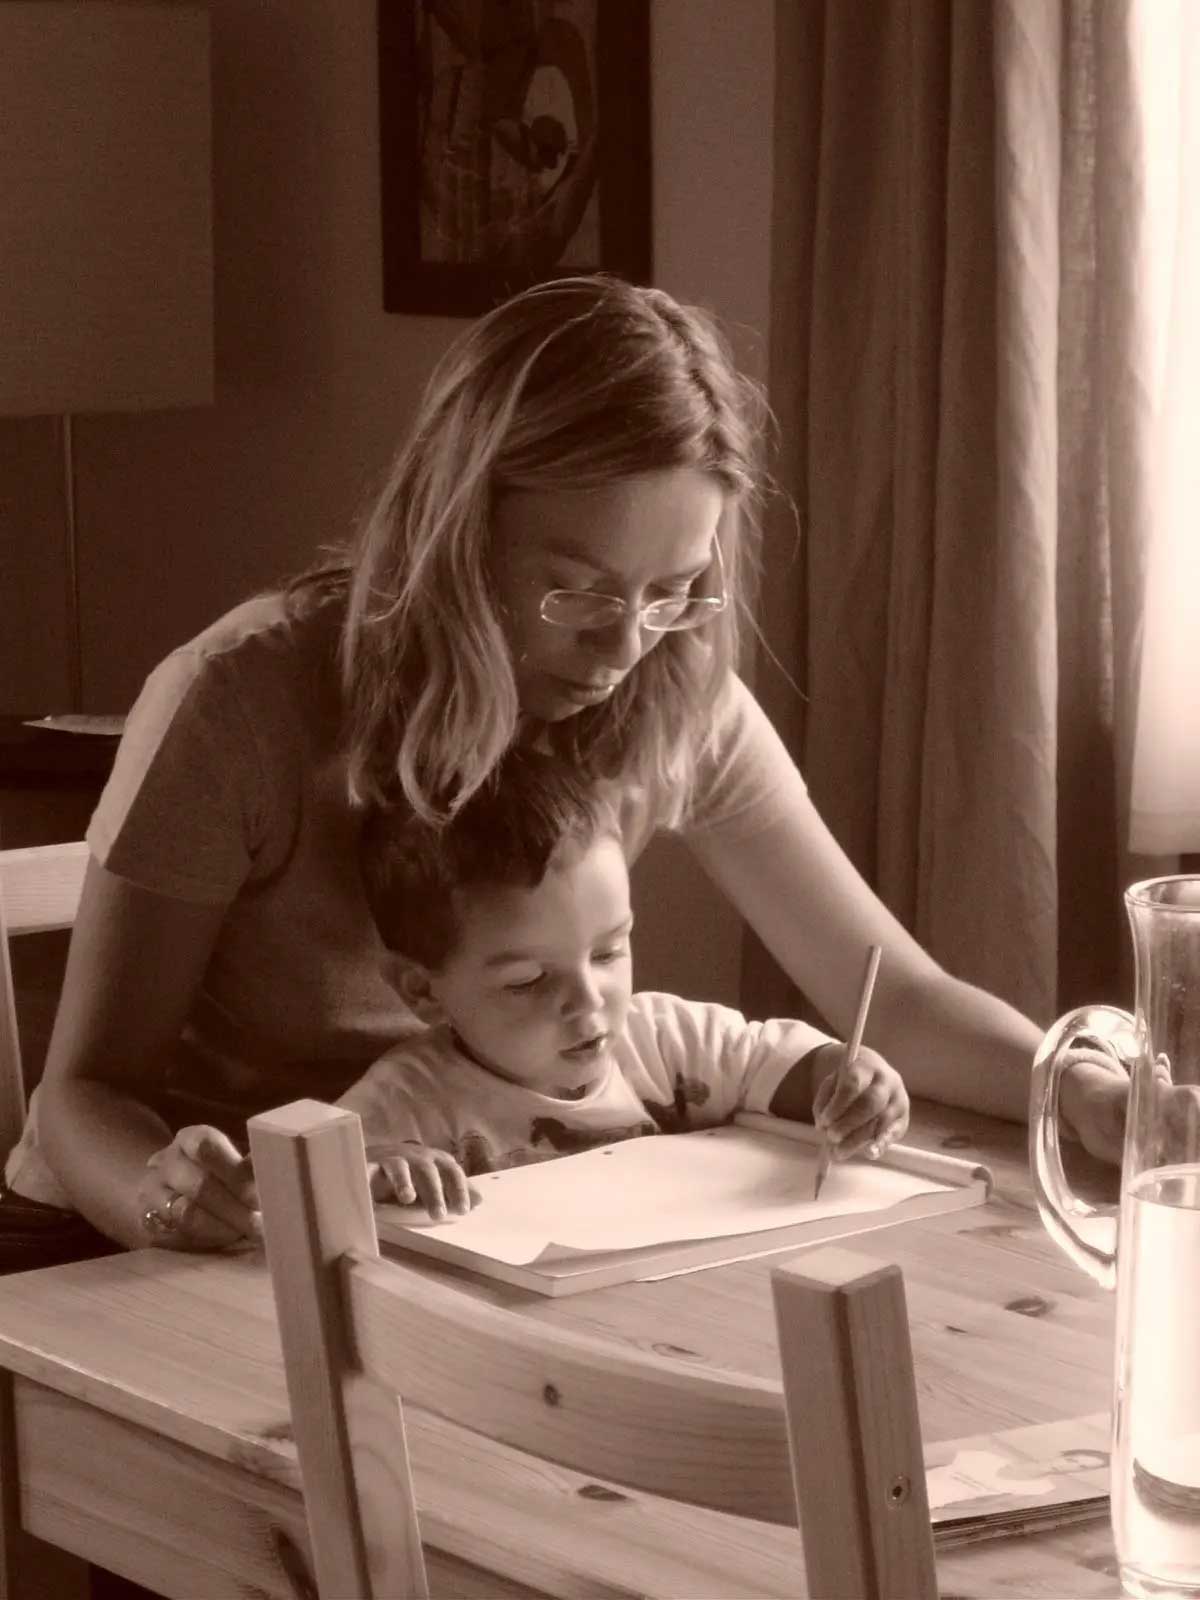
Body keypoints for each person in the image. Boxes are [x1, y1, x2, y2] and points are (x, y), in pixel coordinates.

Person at [1, 273, 1127, 1265]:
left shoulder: (672, 691)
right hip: (151, 1250)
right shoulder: (239, 702)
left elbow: (899, 995)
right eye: (578, 590)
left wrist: (1064, 1083)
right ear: (457, 534)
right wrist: (168, 1196)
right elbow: (81, 1096)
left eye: (675, 586)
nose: (627, 642)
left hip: (456, 1225)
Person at [338, 748, 910, 1218]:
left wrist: (849, 1082)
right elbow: (289, 1184)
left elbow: (786, 1065)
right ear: (421, 990)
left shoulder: (663, 1040)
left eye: (609, 952)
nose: (589, 1003)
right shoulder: (409, 1099)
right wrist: (376, 1171)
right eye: (530, 981)